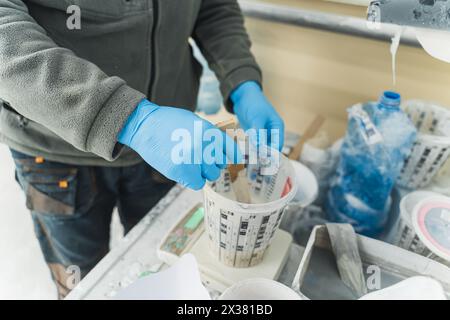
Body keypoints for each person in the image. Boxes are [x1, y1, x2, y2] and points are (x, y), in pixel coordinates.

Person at [0, 0, 284, 298]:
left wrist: (241, 80)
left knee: (156, 267)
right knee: (83, 282)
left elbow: (213, 6)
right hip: (55, 149)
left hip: (166, 144)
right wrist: (130, 119)